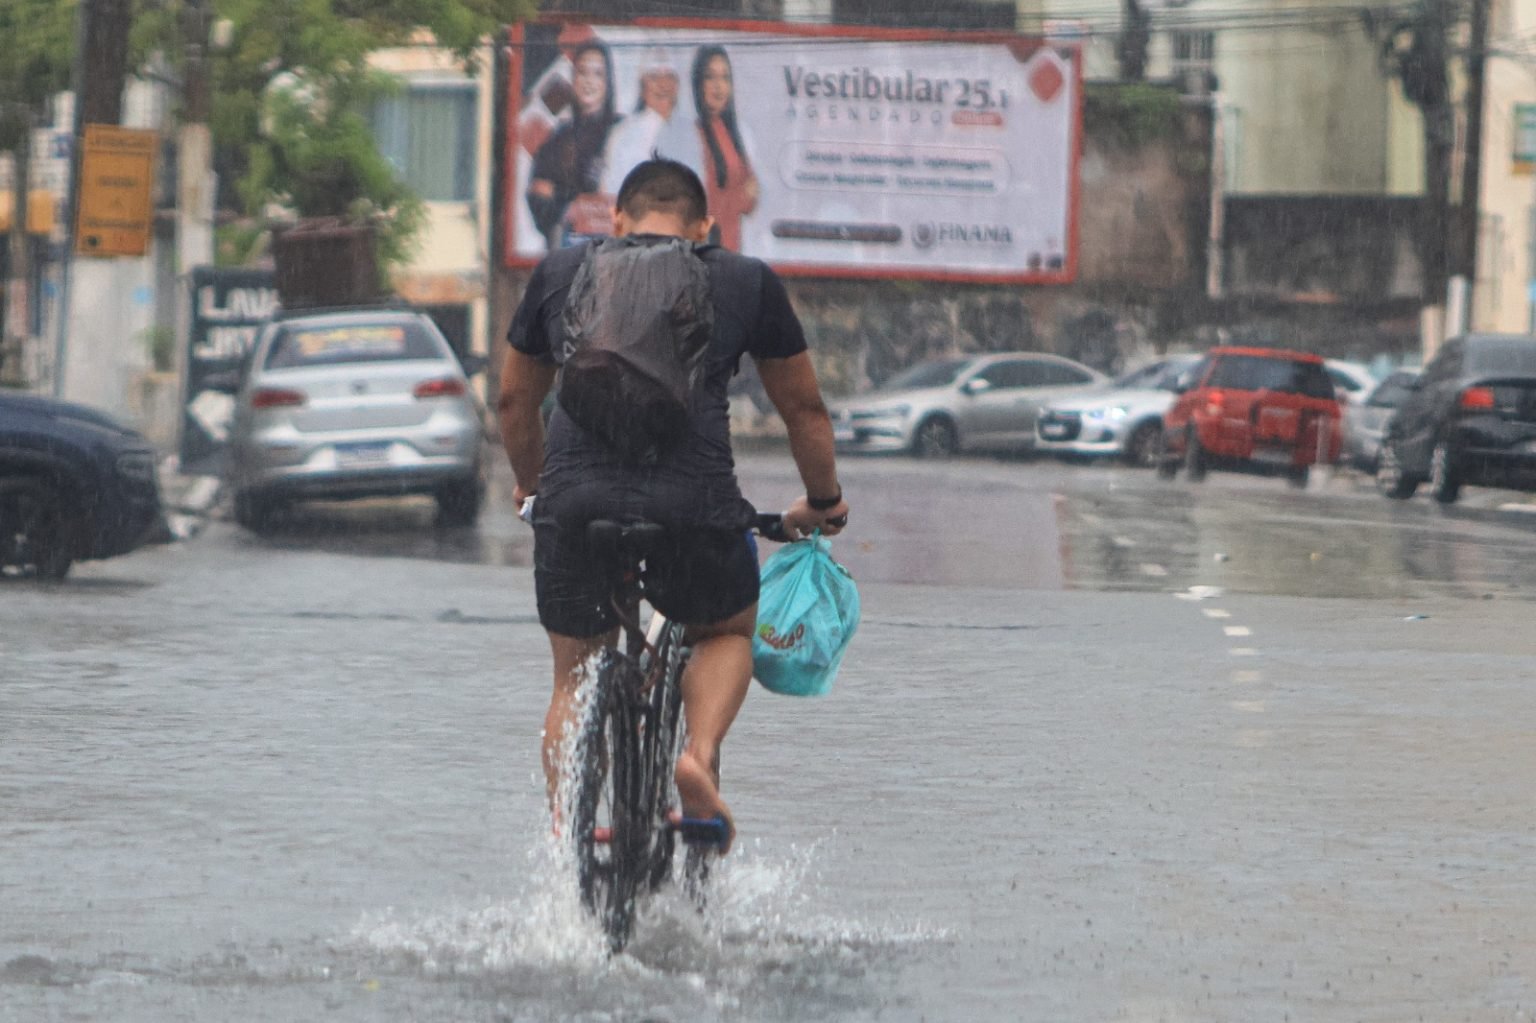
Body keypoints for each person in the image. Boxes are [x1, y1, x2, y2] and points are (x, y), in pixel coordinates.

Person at [498, 159, 849, 853]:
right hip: (695, 506)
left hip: (576, 503)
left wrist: (537, 488)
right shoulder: (744, 279)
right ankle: (698, 752)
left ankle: (568, 828)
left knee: (575, 671)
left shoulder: (562, 272)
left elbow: (514, 400)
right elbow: (804, 408)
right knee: (724, 630)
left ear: (617, 221)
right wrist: (823, 500)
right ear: (703, 227)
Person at [526, 39, 621, 249]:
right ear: (573, 79)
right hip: (569, 250)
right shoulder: (558, 138)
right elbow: (539, 197)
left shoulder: (624, 130)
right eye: (583, 72)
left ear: (608, 81)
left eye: (598, 74)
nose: (589, 81)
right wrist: (575, 206)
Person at [691, 46, 759, 252]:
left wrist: (739, 199)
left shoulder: (734, 133)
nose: (718, 86)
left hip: (732, 247)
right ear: (699, 84)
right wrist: (740, 197)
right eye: (710, 77)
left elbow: (753, 194)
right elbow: (702, 206)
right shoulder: (694, 135)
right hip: (706, 250)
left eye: (725, 78)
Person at [599, 51, 684, 196]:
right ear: (643, 88)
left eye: (670, 77)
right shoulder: (624, 133)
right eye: (654, 77)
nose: (663, 84)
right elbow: (609, 191)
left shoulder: (689, 132)